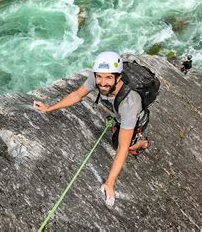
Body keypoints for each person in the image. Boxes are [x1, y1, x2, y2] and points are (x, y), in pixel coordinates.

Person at [34, 51, 150, 207]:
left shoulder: (129, 103)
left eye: (109, 77)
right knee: (118, 137)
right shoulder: (98, 78)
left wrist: (109, 183)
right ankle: (122, 128)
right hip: (119, 116)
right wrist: (49, 108)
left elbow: (122, 148)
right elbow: (77, 95)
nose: (102, 83)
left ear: (118, 77)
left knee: (121, 145)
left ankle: (142, 143)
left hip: (133, 121)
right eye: (100, 77)